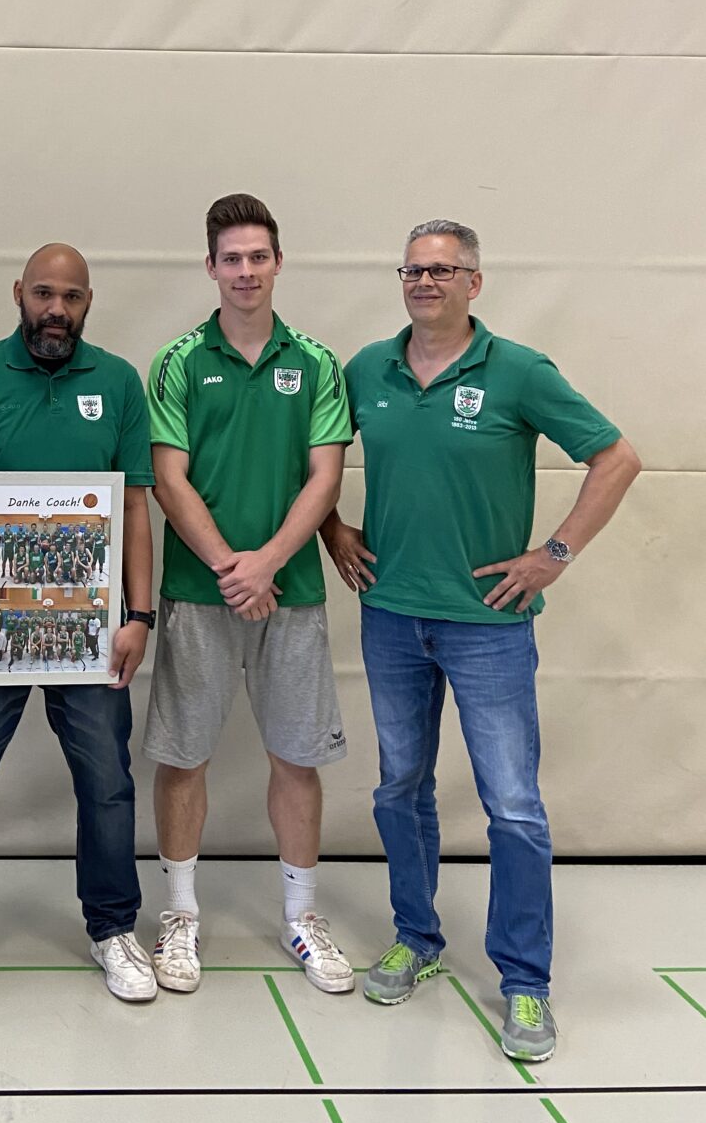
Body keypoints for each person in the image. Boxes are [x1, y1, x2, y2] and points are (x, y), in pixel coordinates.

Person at [321, 220, 640, 1063]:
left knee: (514, 807)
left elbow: (616, 458)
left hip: (489, 625)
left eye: (442, 270)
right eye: (412, 270)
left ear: (474, 281)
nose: (424, 282)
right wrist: (331, 528)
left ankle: (526, 982)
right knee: (400, 788)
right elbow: (311, 461)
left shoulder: (519, 371)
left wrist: (554, 554)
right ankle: (416, 939)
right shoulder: (367, 369)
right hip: (392, 615)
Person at [0, 244, 157, 1015]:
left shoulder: (119, 382)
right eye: (44, 293)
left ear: (89, 302)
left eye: (71, 297)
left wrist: (139, 615)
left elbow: (135, 505)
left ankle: (114, 927)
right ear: (19, 292)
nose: (57, 309)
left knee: (108, 783)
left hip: (91, 631)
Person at [146, 194, 353, 998]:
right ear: (211, 267)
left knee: (296, 759)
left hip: (291, 593)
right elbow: (169, 479)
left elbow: (325, 477)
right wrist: (232, 569)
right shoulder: (177, 362)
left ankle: (302, 917)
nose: (245, 271)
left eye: (257, 256)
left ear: (277, 263)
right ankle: (181, 916)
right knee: (183, 756)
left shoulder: (318, 363)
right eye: (230, 258)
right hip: (198, 593)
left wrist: (266, 563)